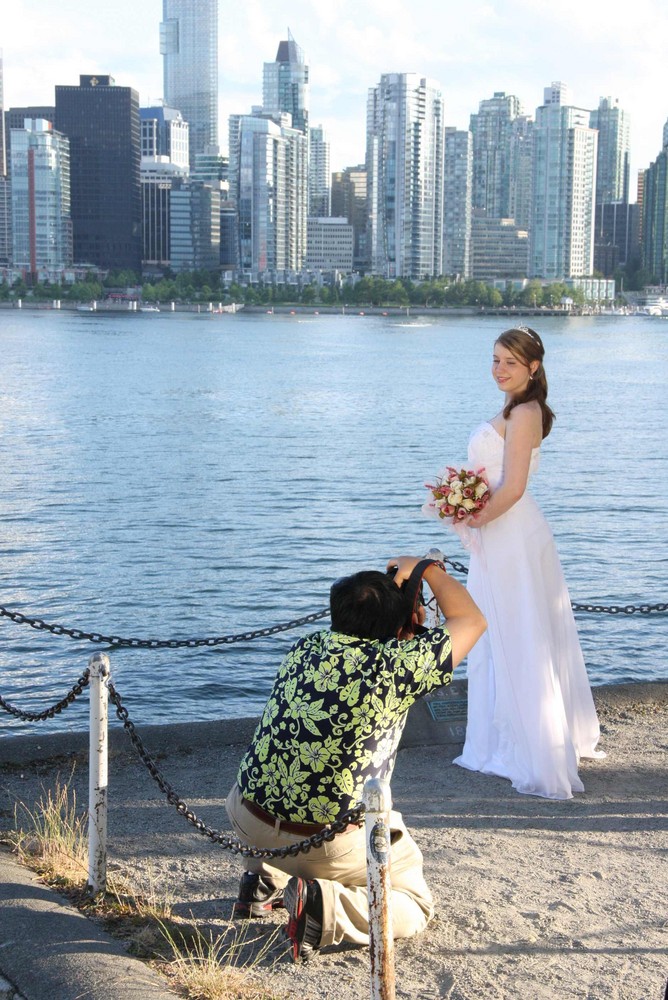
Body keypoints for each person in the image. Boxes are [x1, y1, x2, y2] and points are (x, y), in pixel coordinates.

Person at [225, 555, 486, 962]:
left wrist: (394, 606)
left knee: (294, 769)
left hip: (246, 817)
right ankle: (322, 906)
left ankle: (259, 884)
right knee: (413, 902)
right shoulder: (397, 668)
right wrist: (427, 569)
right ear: (399, 626)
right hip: (324, 845)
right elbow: (471, 620)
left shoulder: (305, 648)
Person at [452, 326, 605, 800]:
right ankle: (497, 740)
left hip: (512, 534)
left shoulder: (525, 412)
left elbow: (513, 487)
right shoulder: (512, 408)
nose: (499, 369)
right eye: (495, 359)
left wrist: (472, 518)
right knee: (494, 632)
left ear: (532, 367)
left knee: (517, 633)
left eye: (509, 363)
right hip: (501, 533)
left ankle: (527, 749)